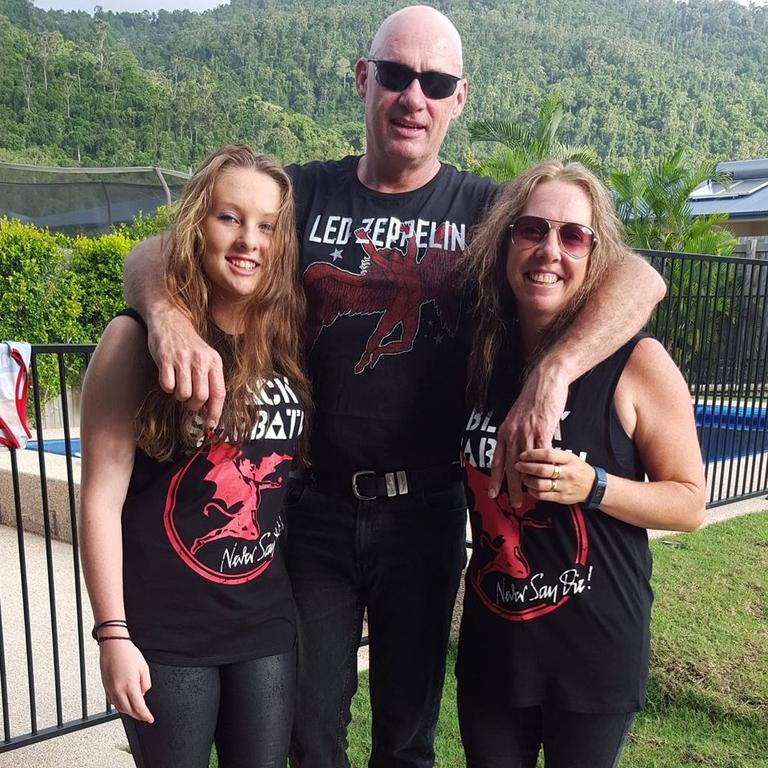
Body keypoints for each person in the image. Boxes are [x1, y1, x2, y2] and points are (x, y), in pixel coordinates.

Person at [122, 7, 666, 767]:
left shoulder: (488, 214)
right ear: (363, 80)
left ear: (458, 101)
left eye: (435, 82)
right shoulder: (303, 194)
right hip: (312, 510)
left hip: (426, 515)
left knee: (406, 739)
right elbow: (159, 247)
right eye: (397, 75)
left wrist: (554, 370)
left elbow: (639, 276)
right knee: (310, 736)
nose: (414, 96)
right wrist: (165, 318)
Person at [459, 160, 706, 767]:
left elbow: (689, 501)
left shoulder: (637, 362)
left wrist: (593, 486)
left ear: (596, 257)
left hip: (593, 655)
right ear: (505, 242)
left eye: (573, 236)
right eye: (532, 230)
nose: (550, 250)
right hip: (495, 646)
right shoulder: (480, 355)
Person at [79, 145, 311, 768]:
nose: (249, 241)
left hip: (262, 624)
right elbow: (99, 499)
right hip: (167, 633)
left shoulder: (283, 342)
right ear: (195, 225)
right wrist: (113, 637)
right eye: (229, 218)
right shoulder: (134, 341)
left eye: (266, 226)